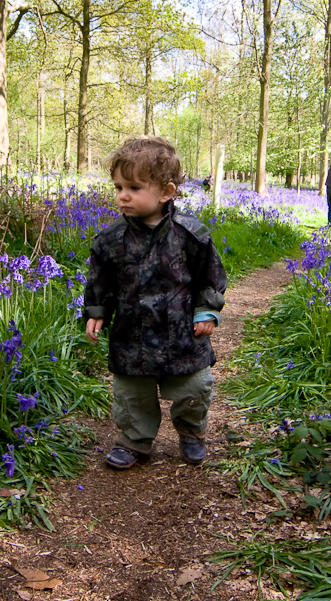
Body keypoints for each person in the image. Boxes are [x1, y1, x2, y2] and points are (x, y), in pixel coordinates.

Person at [84, 136, 228, 470]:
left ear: (166, 192)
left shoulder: (191, 235)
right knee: (132, 396)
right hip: (131, 338)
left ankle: (192, 432)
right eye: (118, 186)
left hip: (184, 337)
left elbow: (210, 275)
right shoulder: (110, 240)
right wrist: (97, 311)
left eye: (133, 187)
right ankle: (134, 440)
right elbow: (99, 280)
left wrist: (207, 310)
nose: (122, 195)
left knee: (194, 388)